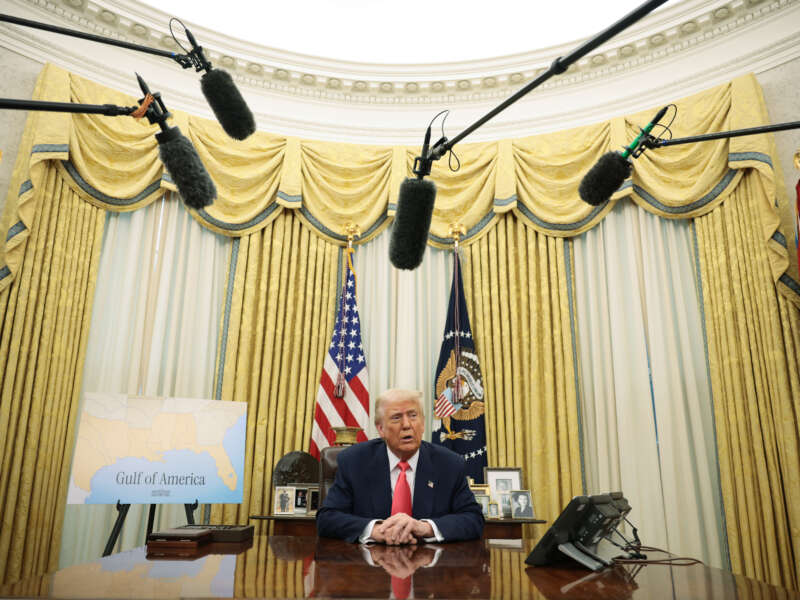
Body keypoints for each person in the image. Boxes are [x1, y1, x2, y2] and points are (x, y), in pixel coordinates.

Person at [317, 389, 484, 544]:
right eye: (396, 417)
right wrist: (375, 530)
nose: (406, 425)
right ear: (381, 429)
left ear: (423, 424)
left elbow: (473, 519)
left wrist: (425, 528)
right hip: (368, 561)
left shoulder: (449, 464)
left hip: (430, 562)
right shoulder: (354, 461)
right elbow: (327, 518)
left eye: (413, 415)